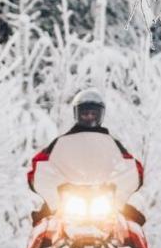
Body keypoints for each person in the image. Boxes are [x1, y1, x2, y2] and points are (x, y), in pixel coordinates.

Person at [26, 88, 146, 225]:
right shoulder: (62, 142)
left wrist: (131, 175)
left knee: (134, 225)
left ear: (100, 115)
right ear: (77, 114)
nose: (89, 117)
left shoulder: (111, 143)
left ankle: (134, 246)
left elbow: (128, 163)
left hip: (104, 196)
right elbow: (40, 161)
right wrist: (40, 177)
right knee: (41, 226)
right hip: (67, 197)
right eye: (85, 114)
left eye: (93, 114)